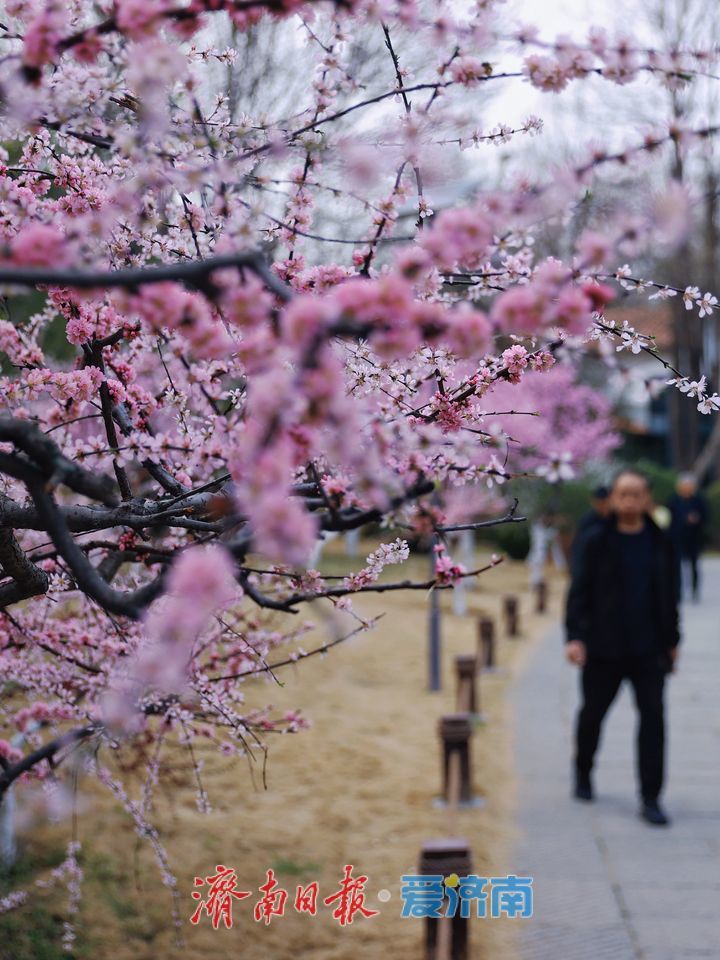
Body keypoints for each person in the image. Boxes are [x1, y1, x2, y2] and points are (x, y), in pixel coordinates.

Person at [564, 469, 680, 827]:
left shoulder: (660, 541)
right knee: (592, 714)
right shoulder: (595, 540)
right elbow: (578, 591)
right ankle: (583, 770)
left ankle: (651, 797)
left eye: (636, 494)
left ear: (647, 499)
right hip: (603, 646)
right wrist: (574, 636)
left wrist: (673, 641)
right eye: (623, 494)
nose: (630, 500)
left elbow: (671, 594)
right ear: (612, 499)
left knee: (653, 720)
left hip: (650, 648)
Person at [668, 473, 708, 602]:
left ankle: (694, 591)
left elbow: (705, 516)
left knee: (694, 565)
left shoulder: (699, 501)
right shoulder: (674, 500)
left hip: (694, 538)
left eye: (689, 486)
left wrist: (697, 519)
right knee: (677, 567)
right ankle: (677, 592)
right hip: (677, 538)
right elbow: (669, 519)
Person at [571, 484, 610, 565]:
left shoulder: (616, 519)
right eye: (598, 503)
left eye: (604, 502)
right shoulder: (587, 521)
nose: (601, 506)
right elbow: (578, 546)